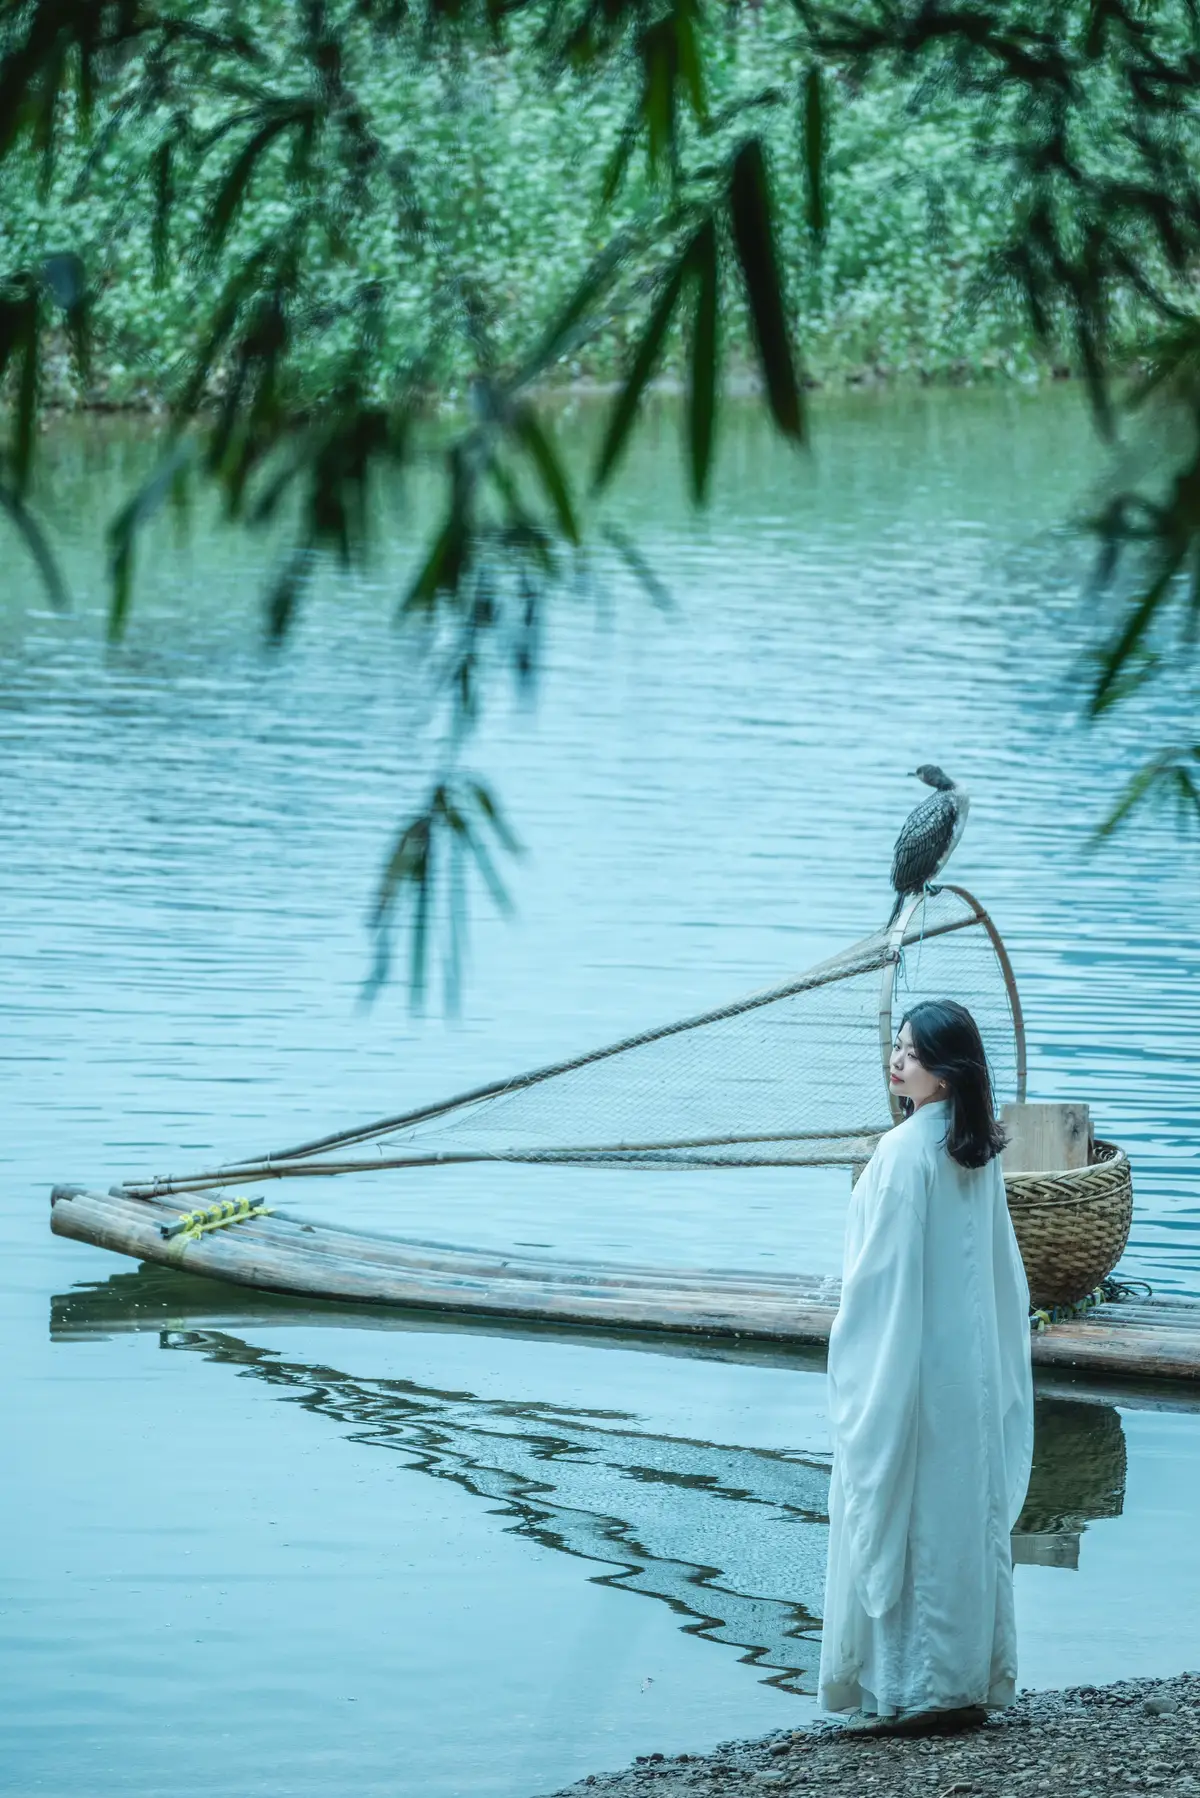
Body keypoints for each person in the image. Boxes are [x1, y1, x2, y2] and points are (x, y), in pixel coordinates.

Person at [817, 998, 1034, 1734]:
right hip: (966, 1377)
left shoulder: (904, 1152)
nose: (896, 1059)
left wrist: (853, 1354)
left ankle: (911, 1690)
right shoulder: (972, 1147)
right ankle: (963, 1681)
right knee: (961, 1520)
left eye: (910, 1051)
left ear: (946, 1073)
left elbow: (880, 1284)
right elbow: (1003, 1281)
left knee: (909, 1515)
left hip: (911, 1371)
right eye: (897, 1045)